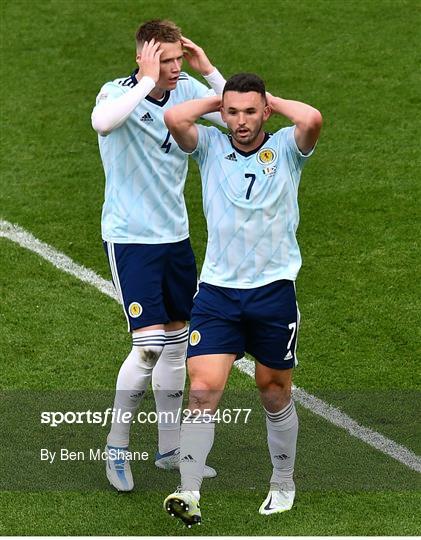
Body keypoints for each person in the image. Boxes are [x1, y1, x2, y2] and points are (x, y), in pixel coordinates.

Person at [162, 73, 322, 526]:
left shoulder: (288, 149)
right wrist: (223, 99)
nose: (240, 121)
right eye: (232, 112)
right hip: (217, 295)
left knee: (274, 391)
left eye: (250, 112)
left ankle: (283, 481)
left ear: (266, 111)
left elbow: (311, 118)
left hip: (273, 293)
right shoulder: (211, 147)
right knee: (202, 390)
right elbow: (175, 115)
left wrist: (267, 99)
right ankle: (189, 491)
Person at [91, 19, 226, 491]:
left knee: (177, 342)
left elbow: (240, 113)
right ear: (143, 59)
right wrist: (147, 81)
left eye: (176, 59)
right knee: (147, 347)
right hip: (131, 239)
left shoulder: (187, 87)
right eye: (163, 60)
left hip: (175, 238)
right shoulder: (117, 93)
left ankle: (170, 449)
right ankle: (117, 446)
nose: (173, 68)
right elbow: (102, 123)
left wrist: (206, 70)